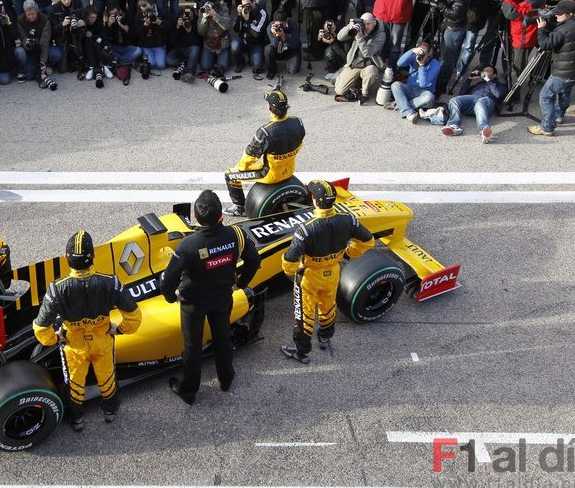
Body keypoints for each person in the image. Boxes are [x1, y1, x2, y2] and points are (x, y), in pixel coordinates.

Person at [32, 230, 142, 430]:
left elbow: (40, 327)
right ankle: (110, 413)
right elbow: (135, 318)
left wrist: (54, 339)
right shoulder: (111, 282)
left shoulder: (56, 289)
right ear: (93, 256)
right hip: (103, 341)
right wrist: (119, 329)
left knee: (74, 385)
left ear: (66, 258)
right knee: (107, 378)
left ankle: (77, 421)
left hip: (74, 345)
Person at [160, 189, 261, 404]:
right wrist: (239, 284)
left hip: (193, 303)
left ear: (196, 217)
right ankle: (226, 379)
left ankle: (188, 391)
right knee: (222, 338)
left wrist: (172, 297)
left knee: (192, 346)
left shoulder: (187, 245)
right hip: (223, 298)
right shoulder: (237, 235)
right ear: (221, 216)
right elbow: (254, 261)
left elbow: (167, 282)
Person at [280, 180, 375, 364]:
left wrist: (293, 272)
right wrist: (347, 253)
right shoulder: (348, 219)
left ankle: (303, 353)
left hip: (309, 276)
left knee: (304, 314)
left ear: (315, 201)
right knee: (328, 306)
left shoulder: (306, 229)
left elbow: (290, 260)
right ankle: (324, 338)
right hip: (333, 271)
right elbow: (368, 241)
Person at [224, 88, 305, 217]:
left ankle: (240, 208)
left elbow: (250, 156)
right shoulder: (298, 122)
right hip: (289, 170)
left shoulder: (265, 132)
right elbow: (300, 144)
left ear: (270, 108)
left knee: (229, 175)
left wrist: (240, 169)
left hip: (270, 174)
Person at [529, 0, 575, 137]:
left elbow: (545, 45)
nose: (556, 16)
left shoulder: (563, 30)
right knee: (565, 91)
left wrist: (542, 29)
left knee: (545, 95)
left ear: (570, 14)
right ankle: (558, 115)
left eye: (559, 14)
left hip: (562, 71)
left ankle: (547, 127)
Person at [442, 64, 508, 142]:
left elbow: (498, 94)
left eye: (488, 71)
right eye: (484, 71)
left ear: (494, 75)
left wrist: (488, 80)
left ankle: (484, 130)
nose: (485, 72)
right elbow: (462, 94)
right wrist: (469, 79)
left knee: (480, 102)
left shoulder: (500, 85)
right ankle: (453, 125)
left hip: (487, 102)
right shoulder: (478, 84)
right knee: (454, 100)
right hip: (472, 100)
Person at [333, 13, 386, 103]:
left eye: (368, 24)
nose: (365, 27)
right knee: (339, 91)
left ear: (374, 22)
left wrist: (359, 36)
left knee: (371, 73)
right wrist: (349, 28)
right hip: (354, 64)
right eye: (363, 24)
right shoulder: (358, 27)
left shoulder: (380, 35)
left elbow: (367, 53)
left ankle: (363, 93)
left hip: (370, 65)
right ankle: (356, 83)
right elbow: (339, 37)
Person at [389, 42, 439, 123]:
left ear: (429, 53)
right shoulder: (414, 57)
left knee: (429, 97)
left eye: (424, 53)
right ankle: (408, 111)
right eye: (419, 52)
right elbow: (399, 63)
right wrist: (412, 51)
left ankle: (401, 105)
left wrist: (421, 66)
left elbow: (423, 84)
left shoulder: (435, 64)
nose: (421, 56)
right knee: (395, 85)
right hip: (410, 89)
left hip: (424, 93)